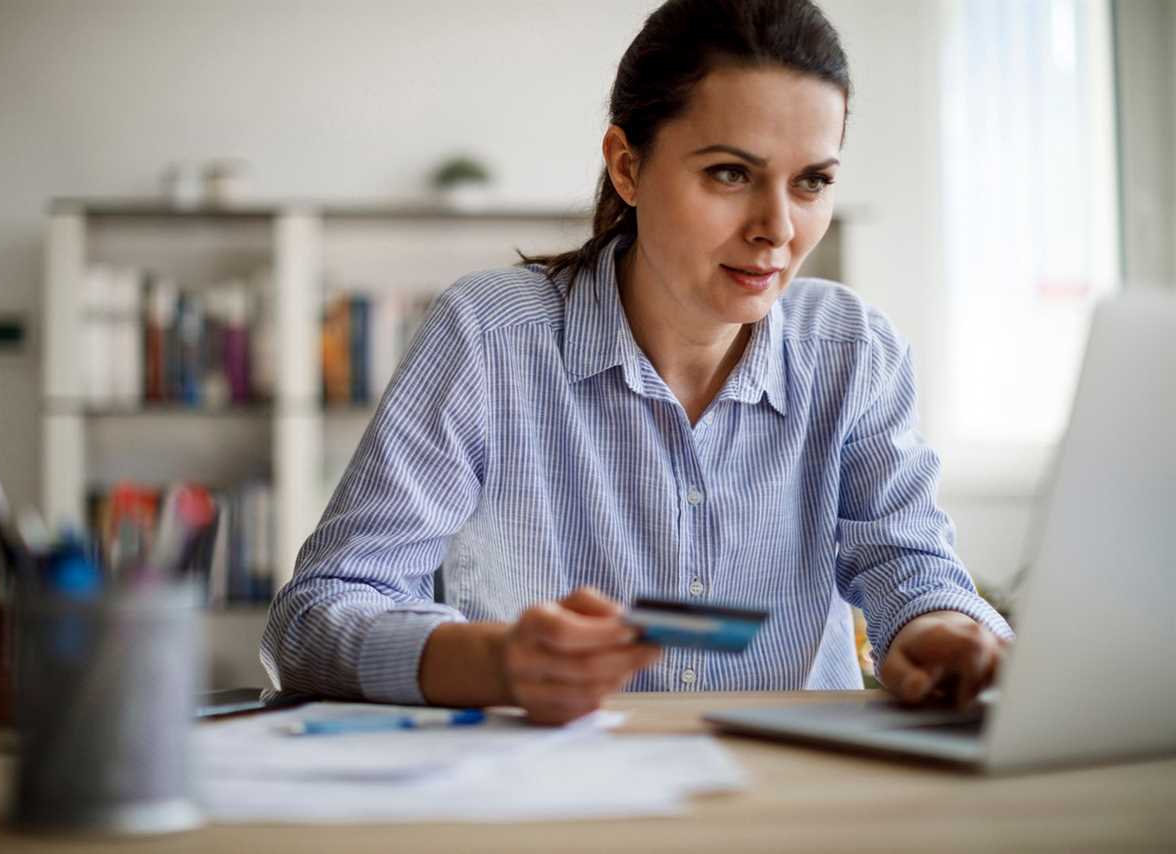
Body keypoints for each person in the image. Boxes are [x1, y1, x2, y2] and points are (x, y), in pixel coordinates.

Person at [262, 0, 1013, 725]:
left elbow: (911, 569)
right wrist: (495, 662)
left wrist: (937, 628)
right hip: (544, 791)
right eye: (729, 173)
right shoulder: (489, 336)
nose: (777, 229)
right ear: (627, 166)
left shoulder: (854, 352)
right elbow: (314, 618)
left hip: (787, 797)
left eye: (812, 181)